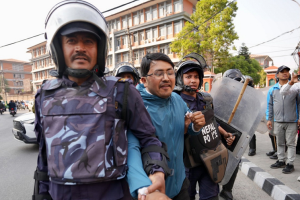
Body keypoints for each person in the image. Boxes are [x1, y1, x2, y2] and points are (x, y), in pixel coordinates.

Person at [32, 1, 169, 200]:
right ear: (58, 48)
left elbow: (148, 138)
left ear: (99, 48)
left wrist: (156, 168)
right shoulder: (44, 95)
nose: (80, 48)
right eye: (71, 40)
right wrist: (40, 195)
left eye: (89, 41)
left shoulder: (122, 91)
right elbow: (44, 159)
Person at [126, 53, 206, 200]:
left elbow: (186, 128)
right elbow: (132, 148)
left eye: (170, 72)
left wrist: (194, 126)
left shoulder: (177, 99)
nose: (166, 78)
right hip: (152, 188)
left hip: (181, 183)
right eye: (159, 73)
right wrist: (142, 187)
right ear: (144, 80)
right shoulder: (136, 106)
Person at [174, 54, 235, 200]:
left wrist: (224, 133)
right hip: (186, 162)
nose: (193, 80)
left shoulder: (206, 99)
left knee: (211, 196)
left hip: (209, 158)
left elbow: (212, 122)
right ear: (180, 79)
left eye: (196, 77)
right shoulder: (174, 101)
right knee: (186, 196)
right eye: (188, 76)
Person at [266, 65, 300, 174]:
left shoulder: (295, 87)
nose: (285, 73)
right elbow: (269, 105)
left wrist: (299, 118)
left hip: (292, 121)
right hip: (278, 120)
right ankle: (281, 160)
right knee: (280, 142)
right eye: (282, 72)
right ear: (277, 75)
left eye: (287, 71)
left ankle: (290, 164)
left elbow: (299, 104)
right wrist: (269, 119)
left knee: (290, 143)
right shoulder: (273, 89)